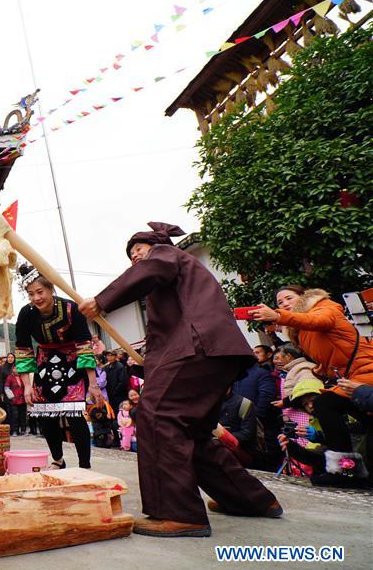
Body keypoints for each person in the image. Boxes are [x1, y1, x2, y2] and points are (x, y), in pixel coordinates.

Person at [79, 221, 280, 538]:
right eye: (131, 255)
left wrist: (102, 299)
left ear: (155, 246)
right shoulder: (170, 286)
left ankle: (178, 512)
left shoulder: (165, 255)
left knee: (158, 417)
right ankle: (250, 499)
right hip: (210, 351)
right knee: (194, 433)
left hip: (198, 347)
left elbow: (153, 268)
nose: (136, 258)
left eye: (138, 251)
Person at [251, 286, 372, 484]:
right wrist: (321, 369)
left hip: (367, 371)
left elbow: (321, 321)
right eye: (280, 302)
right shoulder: (301, 332)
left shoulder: (323, 306)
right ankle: (347, 471)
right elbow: (336, 351)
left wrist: (278, 315)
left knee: (326, 403)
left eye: (288, 298)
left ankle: (346, 472)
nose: (284, 303)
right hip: (354, 376)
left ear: (303, 298)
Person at [15, 263, 102, 470]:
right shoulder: (26, 314)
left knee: (74, 415)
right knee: (45, 414)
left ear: (51, 289)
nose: (36, 298)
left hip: (73, 361)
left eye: (40, 291)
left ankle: (84, 465)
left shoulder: (72, 308)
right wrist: (27, 386)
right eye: (31, 294)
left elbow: (84, 346)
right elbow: (23, 350)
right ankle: (58, 459)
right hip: (44, 361)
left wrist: (92, 383)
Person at [1, 354, 26, 436]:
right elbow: (6, 388)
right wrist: (12, 397)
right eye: (15, 368)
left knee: (22, 415)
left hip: (22, 399)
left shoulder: (22, 377)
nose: (17, 370)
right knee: (14, 416)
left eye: (18, 368)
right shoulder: (10, 377)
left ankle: (23, 430)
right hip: (13, 400)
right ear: (13, 369)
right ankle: (15, 430)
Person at [103, 350, 129, 414]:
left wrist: (115, 391)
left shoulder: (120, 366)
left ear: (115, 356)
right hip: (110, 395)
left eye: (111, 355)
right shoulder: (106, 367)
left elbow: (123, 382)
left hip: (119, 395)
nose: (109, 357)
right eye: (108, 355)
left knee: (122, 412)